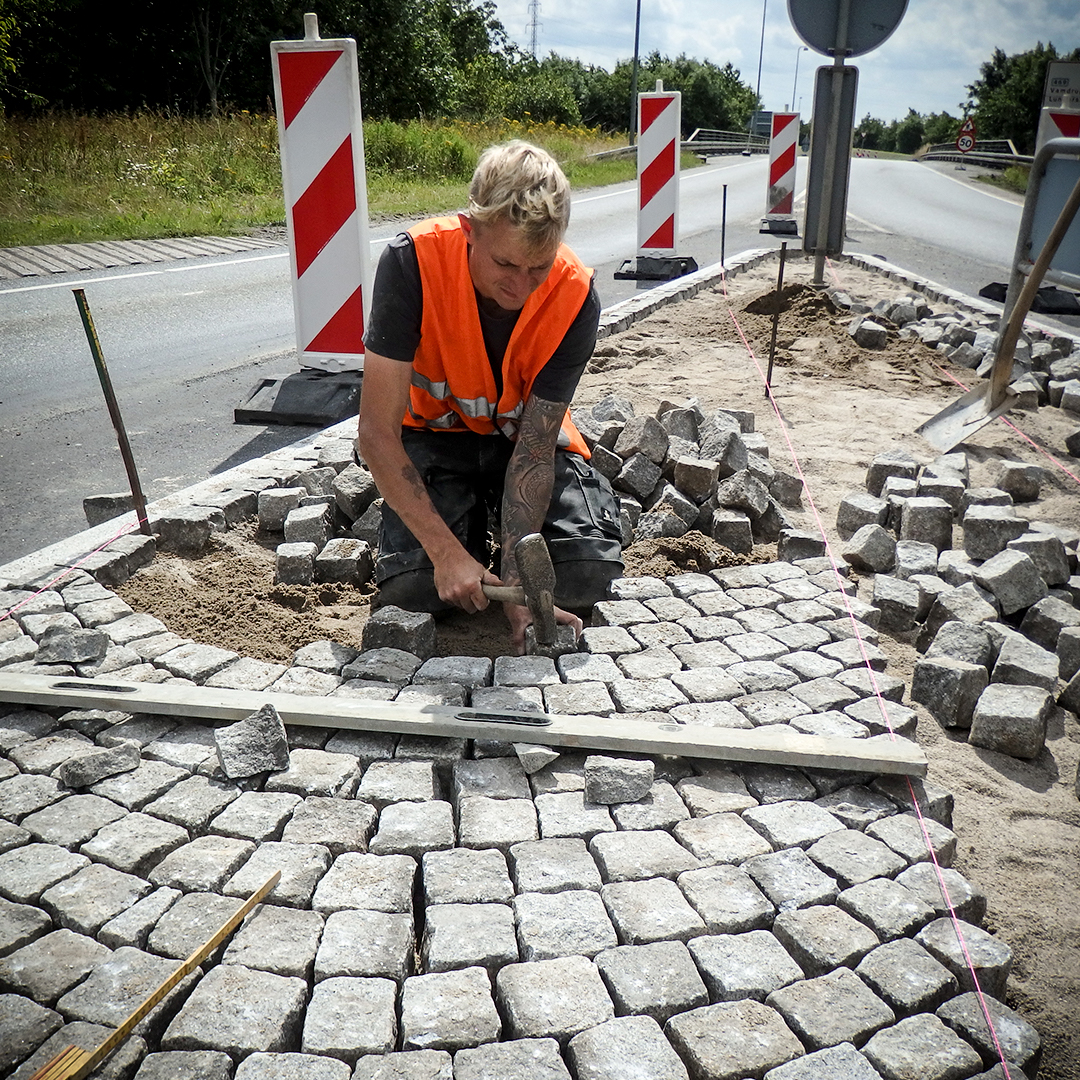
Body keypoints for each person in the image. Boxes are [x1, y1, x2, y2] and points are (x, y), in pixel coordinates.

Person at [357, 140, 623, 654]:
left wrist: (518, 580)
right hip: (434, 439)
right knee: (414, 588)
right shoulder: (412, 264)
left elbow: (535, 449)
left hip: (519, 445)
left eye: (537, 268)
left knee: (589, 574)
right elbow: (375, 433)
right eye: (506, 263)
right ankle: (463, 531)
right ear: (469, 229)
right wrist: (443, 551)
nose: (521, 286)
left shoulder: (573, 293)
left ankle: (494, 535)